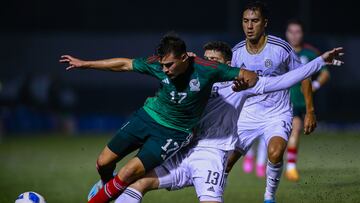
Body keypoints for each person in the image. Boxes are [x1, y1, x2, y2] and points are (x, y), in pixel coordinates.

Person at [113, 43, 343, 203]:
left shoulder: (239, 86)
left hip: (211, 158)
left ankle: (268, 195)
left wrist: (320, 61)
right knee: (137, 184)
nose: (209, 63)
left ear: (227, 63)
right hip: (183, 152)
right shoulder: (193, 80)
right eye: (206, 59)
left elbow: (284, 80)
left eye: (215, 60)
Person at [60, 33, 258, 203]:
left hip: (174, 132)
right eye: (162, 65)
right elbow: (124, 64)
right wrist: (86, 64)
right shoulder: (158, 63)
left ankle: (104, 195)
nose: (164, 70)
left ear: (184, 57)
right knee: (102, 162)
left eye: (169, 65)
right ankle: (107, 186)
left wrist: (244, 84)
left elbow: (250, 75)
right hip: (147, 117)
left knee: (129, 173)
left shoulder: (207, 69)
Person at [226, 1, 316, 202]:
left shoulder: (280, 48)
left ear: (264, 23)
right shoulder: (236, 52)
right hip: (247, 114)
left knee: (275, 153)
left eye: (255, 21)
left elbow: (305, 75)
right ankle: (213, 197)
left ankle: (269, 198)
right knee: (225, 163)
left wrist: (310, 111)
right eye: (245, 21)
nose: (249, 26)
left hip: (277, 113)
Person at [285, 19, 331, 181]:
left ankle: (286, 165)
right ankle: (289, 167)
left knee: (294, 131)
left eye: (298, 32)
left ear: (302, 34)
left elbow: (325, 73)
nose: (294, 35)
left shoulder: (310, 53)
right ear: (286, 33)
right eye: (291, 31)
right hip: (284, 102)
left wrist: (316, 85)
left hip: (303, 102)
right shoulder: (282, 52)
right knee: (295, 129)